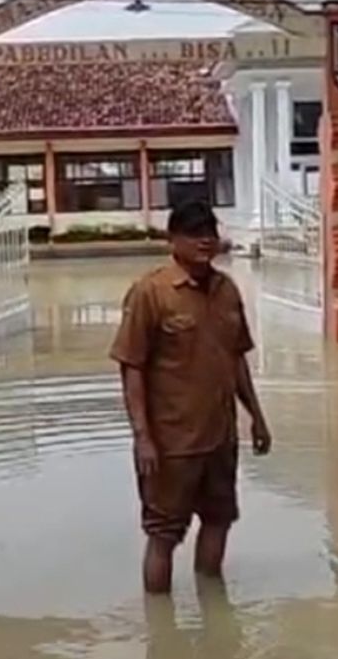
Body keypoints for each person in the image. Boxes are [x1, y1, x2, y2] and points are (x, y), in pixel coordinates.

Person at [110, 199, 272, 594]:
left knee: (219, 520)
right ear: (173, 240)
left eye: (210, 232)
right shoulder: (151, 293)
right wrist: (143, 437)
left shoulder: (226, 290)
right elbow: (132, 367)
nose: (205, 241)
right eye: (195, 233)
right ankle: (160, 621)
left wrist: (256, 416)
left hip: (220, 437)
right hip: (171, 444)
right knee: (164, 534)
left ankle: (214, 607)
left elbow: (236, 359)